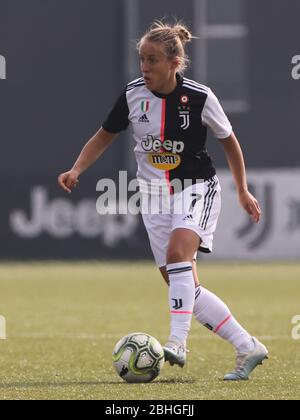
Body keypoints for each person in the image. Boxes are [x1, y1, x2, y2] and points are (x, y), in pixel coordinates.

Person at [58, 21, 268, 381]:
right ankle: (247, 345)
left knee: (177, 258)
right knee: (182, 285)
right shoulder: (132, 95)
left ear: (174, 62)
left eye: (152, 60)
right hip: (154, 198)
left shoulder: (201, 97)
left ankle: (178, 342)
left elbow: (229, 141)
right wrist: (77, 169)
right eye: (141, 59)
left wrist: (243, 189)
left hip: (196, 187)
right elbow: (103, 136)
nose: (145, 67)